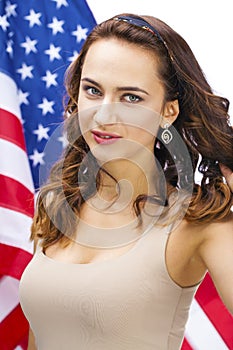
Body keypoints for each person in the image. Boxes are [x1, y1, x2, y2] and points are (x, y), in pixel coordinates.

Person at [19, 13, 233, 350]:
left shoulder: (196, 222)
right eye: (93, 90)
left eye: (131, 97)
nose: (103, 114)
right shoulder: (54, 204)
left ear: (168, 111)